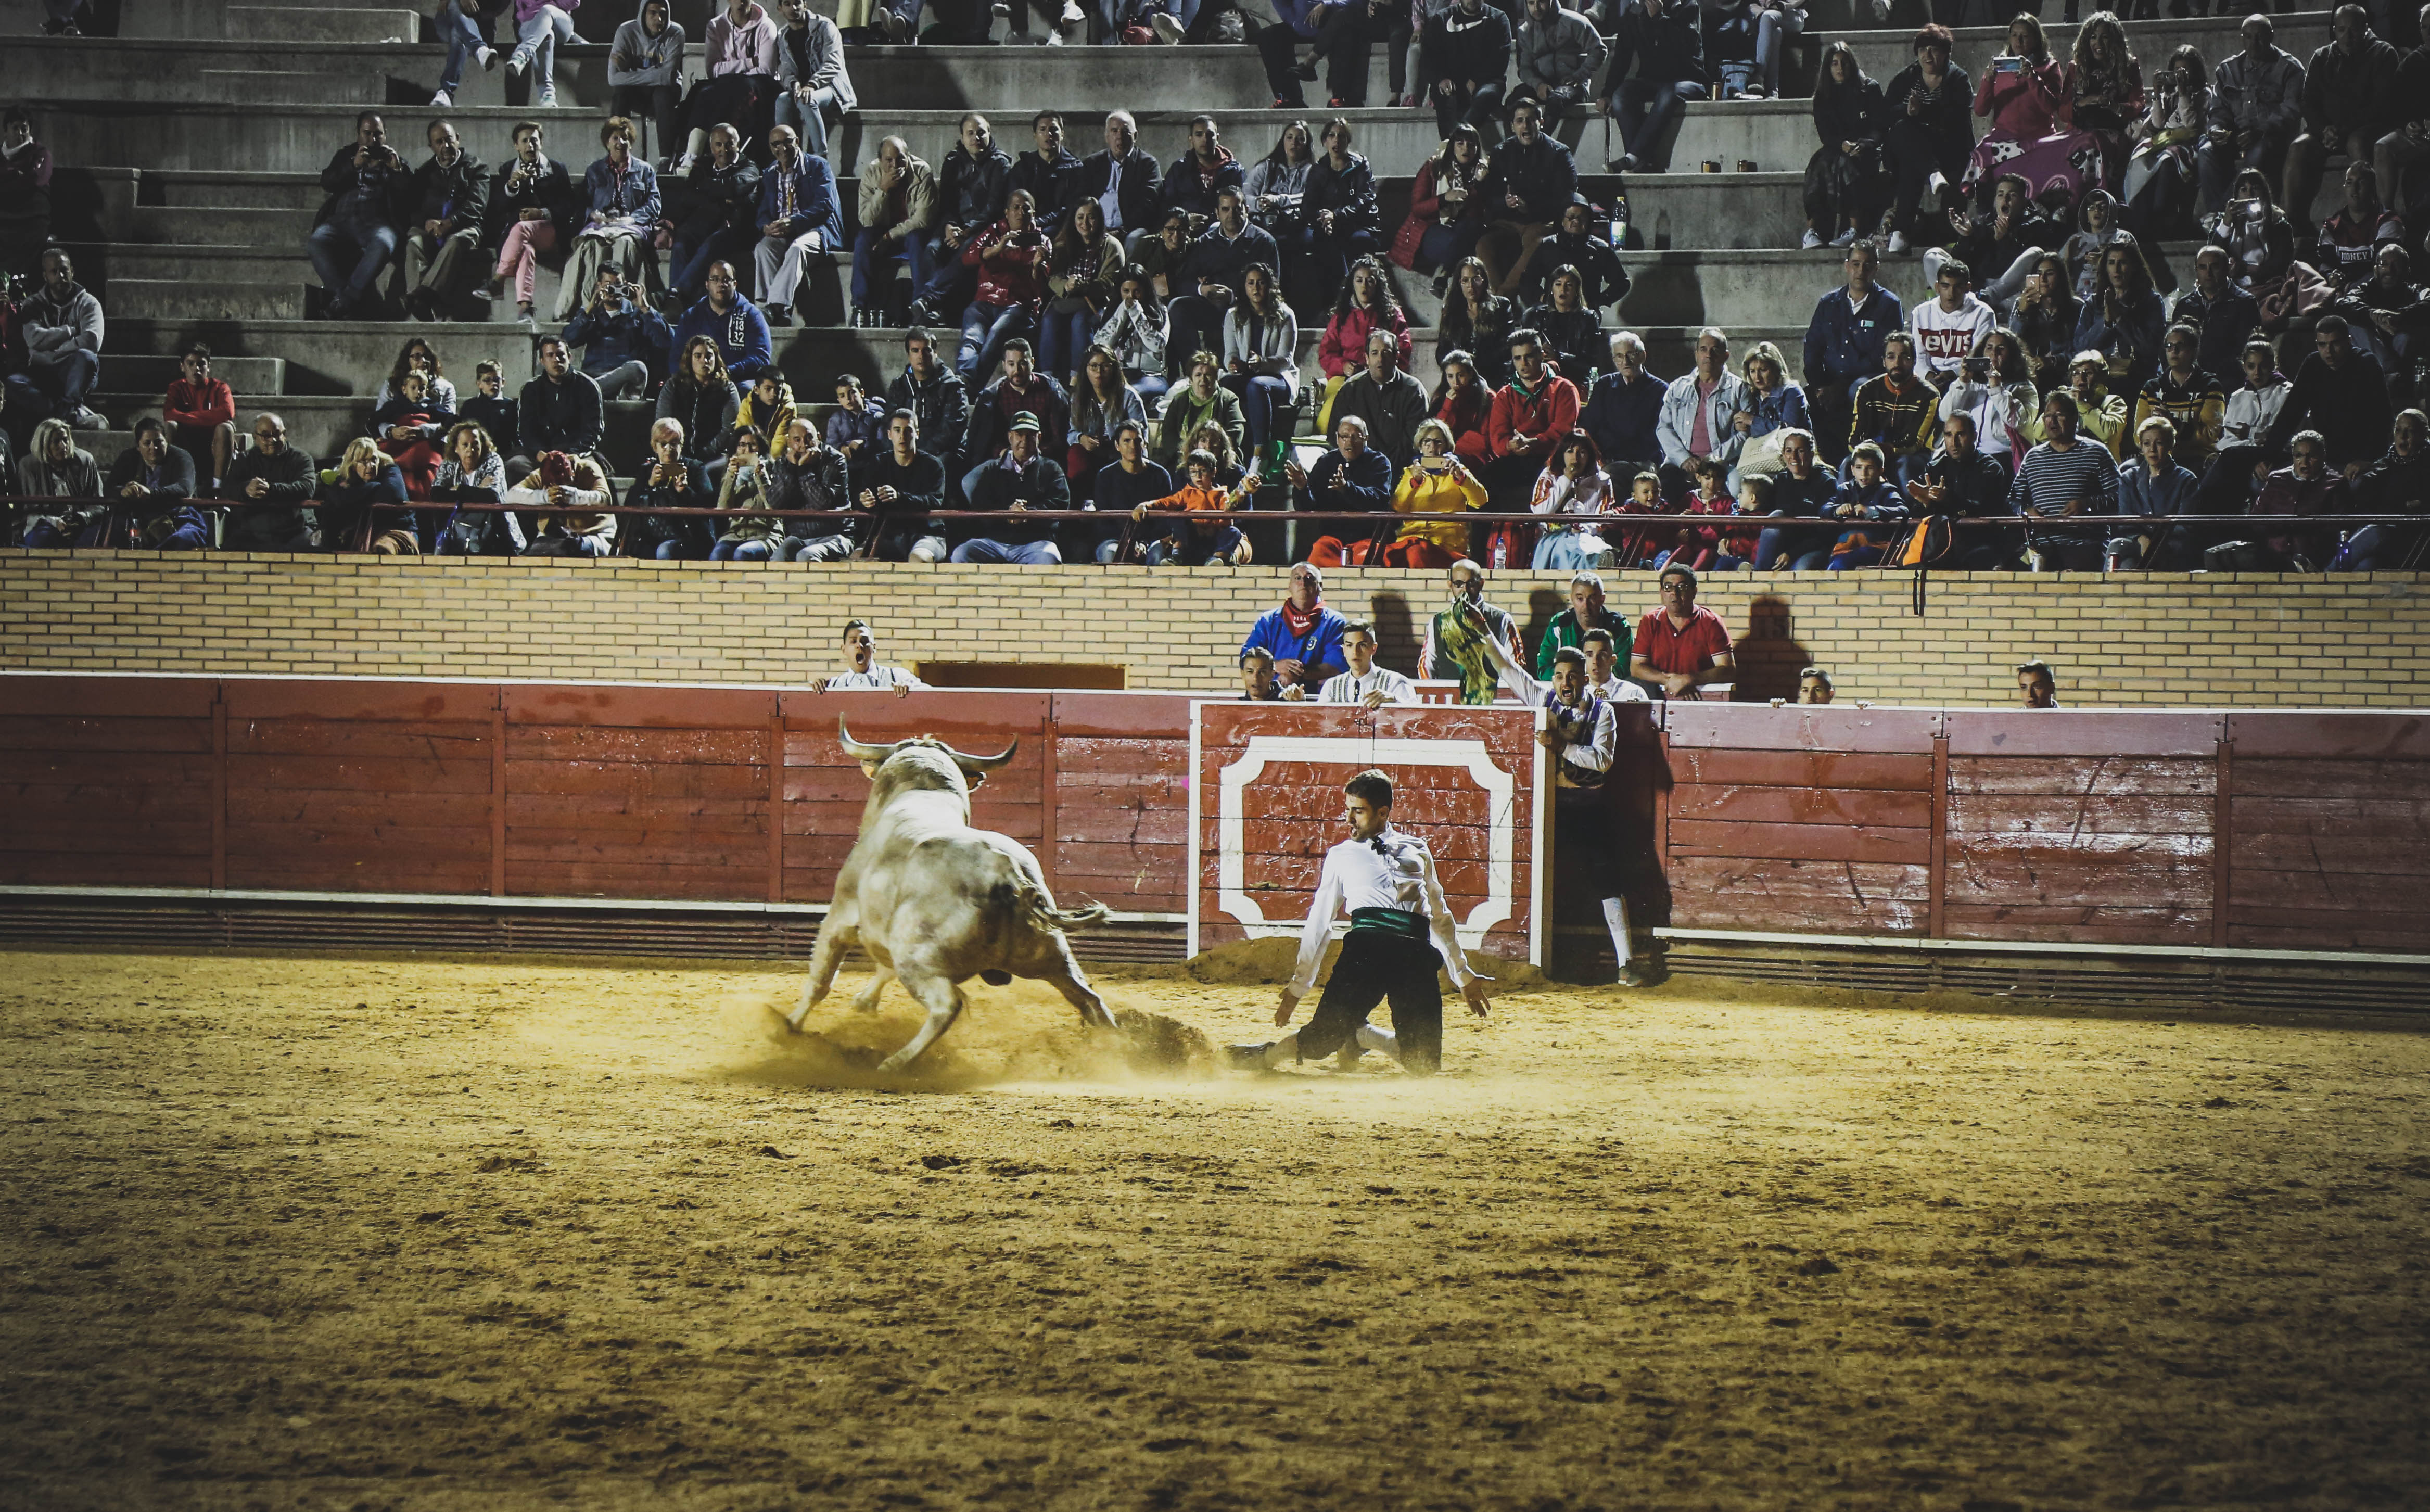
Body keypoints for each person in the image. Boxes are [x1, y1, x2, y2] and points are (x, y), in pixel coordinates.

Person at [1227, 767, 1492, 1076]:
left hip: (1416, 955)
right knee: (1322, 1040)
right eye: (1347, 810)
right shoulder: (1340, 855)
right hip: (1367, 950)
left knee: (1424, 1064)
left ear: (1383, 812)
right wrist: (1299, 987)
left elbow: (1440, 914)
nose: (1348, 820)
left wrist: (1463, 975)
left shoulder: (1418, 849)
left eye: (1358, 811)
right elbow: (1320, 921)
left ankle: (1361, 1035)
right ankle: (1267, 1057)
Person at [1478, 633, 1646, 985]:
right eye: (1558, 676)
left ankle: (1625, 962)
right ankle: (1526, 962)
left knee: (1607, 882)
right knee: (1531, 879)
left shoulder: (1604, 710)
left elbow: (1602, 760)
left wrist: (1561, 746)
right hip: (1548, 806)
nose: (1564, 682)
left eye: (1572, 675)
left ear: (1585, 678)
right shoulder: (1542, 698)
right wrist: (1484, 632)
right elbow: (1507, 668)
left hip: (1588, 807)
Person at [2285, 7, 2400, 233]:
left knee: (2356, 143)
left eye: (2354, 30)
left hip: (2366, 128)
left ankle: (2369, 216)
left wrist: (2343, 129)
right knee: (2299, 148)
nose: (2348, 37)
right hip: (2327, 131)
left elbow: (2381, 105)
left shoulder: (2383, 54)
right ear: (2334, 31)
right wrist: (2323, 130)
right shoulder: (2322, 56)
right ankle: (2293, 223)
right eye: (2341, 30)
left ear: (2366, 29)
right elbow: (2307, 102)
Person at [902, 115, 1014, 329]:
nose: (976, 137)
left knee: (966, 250)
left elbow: (994, 208)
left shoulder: (1000, 163)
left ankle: (929, 299)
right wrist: (949, 226)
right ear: (962, 137)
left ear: (989, 134)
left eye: (981, 132)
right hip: (954, 226)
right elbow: (947, 204)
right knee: (933, 249)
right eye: (970, 133)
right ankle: (935, 311)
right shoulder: (953, 162)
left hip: (983, 228)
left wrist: (967, 230)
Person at [1459, 97, 1576, 298]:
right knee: (1483, 245)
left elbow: (1566, 200)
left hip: (1541, 221)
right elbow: (1487, 198)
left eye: (1531, 120)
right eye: (1520, 120)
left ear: (1541, 122)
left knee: (1537, 241)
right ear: (1513, 126)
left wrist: (1529, 208)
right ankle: (1497, 296)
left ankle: (1501, 298)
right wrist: (1504, 203)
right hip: (1507, 222)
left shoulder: (1559, 153)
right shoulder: (1501, 152)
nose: (1526, 125)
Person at [1165, 187, 1281, 389]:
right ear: (1217, 213)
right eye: (1225, 210)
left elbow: (1274, 286)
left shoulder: (1263, 242)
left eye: (1237, 209)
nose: (1231, 215)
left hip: (1249, 311)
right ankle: (1195, 368)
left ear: (1246, 210)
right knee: (1177, 306)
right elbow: (1184, 282)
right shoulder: (1206, 242)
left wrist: (1236, 297)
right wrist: (1204, 290)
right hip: (1213, 308)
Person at [1803, 242, 1901, 466]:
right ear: (1847, 266)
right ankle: (1822, 463)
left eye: (1867, 265)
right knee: (1805, 398)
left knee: (1857, 391)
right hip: (1828, 381)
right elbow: (1813, 347)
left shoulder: (1888, 305)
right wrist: (1819, 386)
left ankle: (1855, 459)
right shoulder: (1828, 303)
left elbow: (1882, 356)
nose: (1861, 271)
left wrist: (1840, 386)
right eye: (1856, 264)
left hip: (1866, 380)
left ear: (1876, 268)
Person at [2199, 15, 2307, 217]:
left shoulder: (2290, 69)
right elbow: (2218, 110)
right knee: (2206, 151)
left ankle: (2222, 213)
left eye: (2260, 37)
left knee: (2260, 152)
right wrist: (2216, 130)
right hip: (2236, 136)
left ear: (2271, 37)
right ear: (2242, 38)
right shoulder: (2227, 70)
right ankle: (2217, 214)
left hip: (2270, 137)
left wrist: (2260, 130)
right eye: (2248, 37)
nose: (2254, 43)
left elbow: (2291, 112)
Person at [557, 116, 661, 323]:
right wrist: (592, 214)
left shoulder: (645, 171)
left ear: (631, 142)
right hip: (601, 225)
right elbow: (582, 204)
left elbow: (654, 203)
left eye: (624, 138)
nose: (620, 143)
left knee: (625, 244)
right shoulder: (595, 170)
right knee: (592, 245)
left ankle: (624, 305)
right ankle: (592, 305)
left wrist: (632, 219)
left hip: (631, 225)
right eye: (615, 138)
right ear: (607, 142)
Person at [309, 112, 412, 320]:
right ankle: (346, 302)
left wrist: (397, 172)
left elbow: (410, 198)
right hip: (341, 220)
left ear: (385, 135)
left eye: (378, 134)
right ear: (358, 135)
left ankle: (343, 302)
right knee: (317, 242)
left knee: (384, 243)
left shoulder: (394, 160)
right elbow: (327, 182)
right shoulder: (346, 154)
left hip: (377, 223)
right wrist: (352, 165)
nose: (373, 140)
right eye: (367, 134)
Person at [1882, 24, 1973, 254]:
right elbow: (1886, 113)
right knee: (1904, 131)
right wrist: (1909, 111)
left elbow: (1956, 120)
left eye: (1934, 50)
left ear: (1946, 54)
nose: (1927, 56)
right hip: (1912, 148)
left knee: (1913, 166)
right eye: (1923, 50)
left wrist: (1923, 112)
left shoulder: (1958, 78)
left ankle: (1901, 232)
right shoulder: (1907, 77)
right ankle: (1933, 174)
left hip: (1949, 150)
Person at [2009, 389, 2120, 570]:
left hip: (2086, 544)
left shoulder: (2096, 452)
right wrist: (2026, 511)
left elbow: (2119, 496)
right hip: (2041, 547)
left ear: (2075, 418)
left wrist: (2087, 504)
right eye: (2048, 416)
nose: (2052, 421)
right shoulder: (2033, 457)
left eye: (2059, 415)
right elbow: (2012, 500)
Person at [2266, 315, 2393, 472]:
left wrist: (2367, 458)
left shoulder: (2367, 363)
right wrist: (2268, 456)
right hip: (2324, 453)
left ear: (2349, 341)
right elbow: (2291, 412)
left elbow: (2382, 417)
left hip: (2359, 453)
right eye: (2322, 345)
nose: (2328, 351)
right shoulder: (2313, 363)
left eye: (2335, 343)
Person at [485, 121, 578, 326]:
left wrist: (542, 213)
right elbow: (499, 208)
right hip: (521, 239)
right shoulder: (508, 169)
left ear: (541, 144)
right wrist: (512, 186)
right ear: (516, 146)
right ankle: (525, 308)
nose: (530, 145)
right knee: (526, 249)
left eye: (534, 140)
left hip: (552, 233)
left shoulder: (557, 169)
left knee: (521, 228)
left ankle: (498, 281)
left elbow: (570, 207)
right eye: (525, 141)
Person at [748, 124, 841, 329]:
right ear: (770, 147)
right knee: (763, 247)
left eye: (787, 142)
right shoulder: (770, 173)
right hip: (782, 231)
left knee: (797, 249)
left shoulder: (818, 166)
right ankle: (772, 311)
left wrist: (795, 221)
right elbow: (763, 210)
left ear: (797, 141)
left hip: (817, 229)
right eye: (776, 144)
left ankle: (774, 308)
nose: (782, 148)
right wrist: (765, 227)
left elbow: (826, 205)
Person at [663, 124, 762, 309]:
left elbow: (735, 187)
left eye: (729, 144)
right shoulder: (704, 165)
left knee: (713, 242)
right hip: (705, 224)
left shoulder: (749, 167)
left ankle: (677, 293)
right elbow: (688, 197)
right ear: (712, 147)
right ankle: (678, 300)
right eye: (719, 145)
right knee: (681, 241)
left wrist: (705, 188)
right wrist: (722, 197)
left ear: (737, 145)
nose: (724, 150)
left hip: (737, 230)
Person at [1604, 0, 1709, 175]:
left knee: (1668, 93)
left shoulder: (1687, 7)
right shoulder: (1635, 12)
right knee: (1622, 94)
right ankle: (1643, 161)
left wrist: (1660, 19)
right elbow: (1622, 57)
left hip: (1689, 80)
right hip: (1652, 80)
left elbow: (1685, 50)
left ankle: (1633, 158)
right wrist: (1607, 92)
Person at [950, 412, 1071, 564]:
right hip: (994, 542)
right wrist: (1008, 513)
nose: (1024, 440)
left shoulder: (1051, 468)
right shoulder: (992, 469)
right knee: (961, 554)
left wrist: (1027, 514)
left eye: (1030, 435)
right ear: (1010, 437)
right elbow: (980, 505)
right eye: (1019, 434)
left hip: (1035, 543)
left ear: (1039, 438)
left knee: (1049, 557)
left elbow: (1061, 504)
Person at [675, 0, 780, 173]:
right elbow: (713, 70)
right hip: (726, 84)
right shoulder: (716, 26)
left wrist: (730, 67)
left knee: (742, 90)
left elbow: (766, 69)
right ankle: (692, 156)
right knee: (703, 93)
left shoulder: (766, 26)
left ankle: (729, 158)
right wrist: (750, 62)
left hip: (759, 84)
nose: (740, 2)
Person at [402, 121, 491, 323]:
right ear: (432, 146)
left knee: (456, 242)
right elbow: (413, 209)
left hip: (466, 228)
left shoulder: (476, 167)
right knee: (414, 243)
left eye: (449, 139)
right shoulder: (425, 173)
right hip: (432, 230)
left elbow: (477, 205)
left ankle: (420, 297)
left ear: (457, 138)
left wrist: (449, 223)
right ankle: (421, 303)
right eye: (439, 142)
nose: (446, 146)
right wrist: (427, 223)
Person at [1291, 119, 1381, 316]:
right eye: (1331, 136)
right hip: (1328, 226)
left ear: (1348, 141)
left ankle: (1346, 300)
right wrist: (1323, 220)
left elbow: (1365, 200)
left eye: (1341, 136)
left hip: (1360, 225)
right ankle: (1337, 304)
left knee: (1354, 242)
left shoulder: (1361, 165)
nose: (1336, 141)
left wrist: (1337, 216)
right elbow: (1308, 207)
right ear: (1324, 141)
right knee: (1322, 242)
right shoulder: (1318, 169)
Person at [7, 248, 104, 433]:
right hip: (42, 372)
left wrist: (53, 352)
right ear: (45, 276)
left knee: (87, 357)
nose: (60, 276)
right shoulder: (33, 304)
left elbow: (92, 341)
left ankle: (63, 412)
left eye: (64, 270)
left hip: (73, 371)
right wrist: (71, 331)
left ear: (72, 271)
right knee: (14, 383)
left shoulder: (89, 304)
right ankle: (71, 414)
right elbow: (33, 339)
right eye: (54, 272)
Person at [1805, 40, 1889, 251]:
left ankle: (1853, 229)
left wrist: (1864, 144)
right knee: (1819, 163)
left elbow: (1880, 127)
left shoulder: (1869, 88)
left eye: (1844, 63)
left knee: (1846, 163)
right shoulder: (1823, 96)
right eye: (1834, 63)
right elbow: (1826, 134)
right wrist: (1841, 144)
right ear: (1828, 67)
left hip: (1867, 151)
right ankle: (1812, 231)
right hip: (1837, 149)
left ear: (1852, 65)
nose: (1840, 68)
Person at [1904, 414, 2017, 569]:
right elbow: (1919, 517)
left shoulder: (1989, 467)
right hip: (1941, 544)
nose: (1954, 442)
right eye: (1949, 435)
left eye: (1961, 434)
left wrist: (1947, 498)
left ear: (1974, 436)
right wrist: (1925, 503)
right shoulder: (1934, 467)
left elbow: (1981, 509)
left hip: (1981, 542)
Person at [2125, 43, 2210, 237]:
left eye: (2185, 71)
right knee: (2140, 157)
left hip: (2188, 143)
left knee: (2167, 161)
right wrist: (2157, 94)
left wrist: (2183, 93)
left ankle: (2161, 213)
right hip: (2165, 141)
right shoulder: (2168, 95)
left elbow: (2191, 123)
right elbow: (2157, 122)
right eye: (2177, 72)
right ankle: (2140, 216)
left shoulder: (2203, 94)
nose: (2180, 76)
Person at [1379, 419, 1487, 569]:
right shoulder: (1411, 472)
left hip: (1447, 545)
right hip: (1412, 540)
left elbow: (1480, 500)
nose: (1432, 447)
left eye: (1438, 442)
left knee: (1417, 554)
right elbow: (1398, 507)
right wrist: (1413, 482)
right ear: (1421, 446)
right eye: (1427, 442)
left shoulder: (1458, 470)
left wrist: (1461, 477)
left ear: (1446, 446)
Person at [1654, 327, 1749, 497]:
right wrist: (1684, 459)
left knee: (1737, 491)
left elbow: (1745, 434)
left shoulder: (1739, 389)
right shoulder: (1678, 387)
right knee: (1664, 489)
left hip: (1723, 463)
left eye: (1715, 350)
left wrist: (1713, 460)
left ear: (1725, 356)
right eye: (1704, 349)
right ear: (1696, 353)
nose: (1709, 355)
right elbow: (1664, 428)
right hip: (1681, 463)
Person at [1038, 200, 1124, 387]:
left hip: (1096, 303)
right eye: (1080, 217)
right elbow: (1054, 278)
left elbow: (1109, 284)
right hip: (1067, 300)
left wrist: (1082, 286)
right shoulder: (1063, 244)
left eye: (1091, 217)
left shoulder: (1112, 247)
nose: (1085, 223)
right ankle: (1047, 377)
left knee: (1080, 321)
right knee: (1049, 319)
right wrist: (1067, 286)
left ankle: (1077, 377)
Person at [2331, 405, 2429, 568]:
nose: (2402, 437)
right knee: (2365, 567)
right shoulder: (2385, 464)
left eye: (2409, 431)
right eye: (2398, 430)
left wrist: (2404, 506)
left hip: (2414, 539)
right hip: (2382, 540)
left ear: (2424, 434)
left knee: (2377, 531)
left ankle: (2326, 574)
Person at [1220, 262, 1299, 459]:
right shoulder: (1233, 315)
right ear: (1244, 287)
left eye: (1261, 283)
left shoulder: (1286, 315)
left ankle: (1260, 451)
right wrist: (1233, 364)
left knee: (1257, 385)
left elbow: (1286, 360)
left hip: (1278, 378)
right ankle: (1224, 447)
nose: (1256, 289)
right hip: (1246, 375)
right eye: (1251, 283)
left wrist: (1262, 363)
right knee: (1225, 385)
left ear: (1270, 286)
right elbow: (1229, 353)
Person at [1292, 413, 1395, 564]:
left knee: (1364, 564)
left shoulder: (1379, 462)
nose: (1350, 443)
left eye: (1356, 437)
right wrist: (1302, 488)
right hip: (1333, 538)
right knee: (1316, 559)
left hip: (1368, 538)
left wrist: (1347, 489)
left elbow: (1378, 500)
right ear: (1337, 438)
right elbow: (1308, 507)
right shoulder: (1327, 462)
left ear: (1366, 438)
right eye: (1345, 436)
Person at [1417, 558, 1520, 703]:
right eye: (1458, 584)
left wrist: (1501, 696)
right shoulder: (1437, 622)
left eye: (1471, 583)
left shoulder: (1502, 619)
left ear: (1481, 583)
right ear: (1450, 585)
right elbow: (1425, 666)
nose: (1464, 590)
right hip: (1449, 702)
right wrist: (1434, 693)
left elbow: (1516, 665)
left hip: (1492, 700)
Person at [563, 266, 672, 401]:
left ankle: (586, 393)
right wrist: (590, 309)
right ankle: (591, 392)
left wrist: (645, 308)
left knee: (638, 368)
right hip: (594, 374)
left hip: (625, 379)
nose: (614, 291)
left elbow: (666, 341)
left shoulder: (638, 312)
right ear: (599, 286)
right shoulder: (591, 312)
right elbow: (568, 340)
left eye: (618, 286)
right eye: (609, 286)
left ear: (626, 286)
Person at [1844, 332, 1939, 489]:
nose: (1897, 362)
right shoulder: (1867, 390)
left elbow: (1916, 443)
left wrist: (1882, 451)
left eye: (1904, 357)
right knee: (1849, 462)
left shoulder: (1929, 395)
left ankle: (1907, 511)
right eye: (1891, 356)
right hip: (1872, 452)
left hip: (1912, 455)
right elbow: (1855, 437)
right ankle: (1844, 509)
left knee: (1904, 464)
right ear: (1884, 362)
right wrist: (1868, 452)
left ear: (1914, 361)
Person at [1129, 445, 1251, 565]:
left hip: (1214, 539)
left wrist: (1233, 502)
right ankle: (1178, 555)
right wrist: (1145, 505)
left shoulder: (1222, 494)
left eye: (1203, 471)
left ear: (1213, 472)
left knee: (1234, 532)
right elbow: (1167, 502)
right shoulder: (1187, 493)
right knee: (1179, 519)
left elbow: (1226, 515)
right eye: (1193, 472)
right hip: (1193, 541)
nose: (1198, 476)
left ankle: (1217, 559)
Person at [2065, 11, 2145, 194]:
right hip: (2079, 132)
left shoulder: (2129, 66)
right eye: (2093, 37)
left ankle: (2097, 200)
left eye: (2105, 38)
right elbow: (2063, 110)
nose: (2098, 44)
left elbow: (2139, 103)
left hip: (2113, 133)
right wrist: (2082, 103)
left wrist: (2114, 106)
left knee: (2091, 145)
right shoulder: (2075, 68)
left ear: (2115, 41)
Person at [2130, 325, 2227, 475]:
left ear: (2194, 351)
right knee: (2126, 471)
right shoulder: (2152, 388)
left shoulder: (2210, 386)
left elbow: (2209, 435)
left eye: (2180, 346)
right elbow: (2138, 435)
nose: (2174, 351)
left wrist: (2174, 425)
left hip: (2198, 456)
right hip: (2157, 456)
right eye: (2169, 346)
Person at [1331, 325, 1429, 473]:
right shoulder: (1350, 389)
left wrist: (1384, 468)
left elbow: (1414, 442)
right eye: (1375, 353)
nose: (1380, 359)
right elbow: (1336, 436)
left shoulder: (1414, 391)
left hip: (1401, 471)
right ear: (1367, 358)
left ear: (1397, 356)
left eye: (1386, 353)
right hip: (1358, 470)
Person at [2110, 414, 2203, 569]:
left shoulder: (2186, 480)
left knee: (2132, 565)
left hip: (2172, 548)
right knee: (2119, 550)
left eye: (2159, 443)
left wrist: (2156, 546)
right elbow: (2125, 520)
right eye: (2147, 444)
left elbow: (2185, 526)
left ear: (2170, 445)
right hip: (2138, 544)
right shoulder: (2129, 478)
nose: (2152, 449)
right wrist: (2142, 539)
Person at [1393, 125, 1484, 281]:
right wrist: (1444, 199)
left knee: (1472, 230)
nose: (1466, 149)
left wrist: (1478, 183)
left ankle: (1445, 276)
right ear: (1452, 146)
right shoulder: (1435, 166)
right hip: (1429, 228)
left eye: (1471, 144)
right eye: (1460, 143)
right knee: (1461, 243)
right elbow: (1417, 209)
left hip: (1465, 230)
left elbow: (1478, 214)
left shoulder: (1482, 171)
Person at [1629, 563, 1733, 700]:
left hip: (1700, 698)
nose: (1674, 593)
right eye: (1668, 587)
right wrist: (1670, 681)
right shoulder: (1650, 621)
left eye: (1682, 587)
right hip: (1657, 697)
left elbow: (1728, 670)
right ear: (1661, 592)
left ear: (1694, 591)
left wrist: (1689, 679)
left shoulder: (1711, 622)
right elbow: (1636, 668)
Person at [218, 413, 319, 553]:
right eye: (266, 436)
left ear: (285, 434)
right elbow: (227, 489)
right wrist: (246, 490)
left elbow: (307, 488)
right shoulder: (244, 460)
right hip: (252, 534)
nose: (273, 440)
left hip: (294, 532)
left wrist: (271, 490)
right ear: (255, 437)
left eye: (278, 434)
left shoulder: (301, 458)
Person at [1241, 564, 1347, 694]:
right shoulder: (1268, 620)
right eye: (1298, 578)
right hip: (1270, 696)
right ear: (1289, 587)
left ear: (1320, 587)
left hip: (1316, 698)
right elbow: (1247, 658)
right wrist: (1275, 666)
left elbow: (1337, 666)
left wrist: (1297, 675)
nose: (1303, 583)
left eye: (1310, 578)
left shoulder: (1334, 622)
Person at [859, 408, 948, 562]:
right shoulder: (878, 463)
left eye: (908, 431)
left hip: (927, 533)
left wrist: (898, 497)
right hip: (889, 534)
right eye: (897, 430)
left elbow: (935, 501)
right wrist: (865, 501)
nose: (902, 436)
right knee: (858, 558)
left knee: (917, 559)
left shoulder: (933, 465)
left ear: (917, 434)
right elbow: (866, 498)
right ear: (889, 435)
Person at [101, 418, 203, 551]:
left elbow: (184, 488)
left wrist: (150, 493)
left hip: (179, 515)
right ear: (138, 447)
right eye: (147, 443)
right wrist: (124, 491)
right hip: (139, 516)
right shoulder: (128, 458)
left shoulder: (181, 457)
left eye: (158, 442)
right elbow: (109, 488)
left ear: (166, 442)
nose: (153, 448)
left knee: (183, 539)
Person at [511, 335, 604, 480]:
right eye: (550, 355)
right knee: (514, 467)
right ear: (542, 361)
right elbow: (526, 431)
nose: (556, 360)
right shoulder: (531, 389)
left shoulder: (588, 386)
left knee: (590, 470)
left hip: (576, 455)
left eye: (561, 355)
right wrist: (539, 453)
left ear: (570, 357)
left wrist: (573, 454)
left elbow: (593, 430)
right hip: (541, 455)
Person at [772, 0, 854, 163]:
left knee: (806, 101)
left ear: (805, 5)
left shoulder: (825, 26)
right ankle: (786, 157)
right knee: (782, 99)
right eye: (787, 4)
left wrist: (812, 85)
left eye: (797, 3)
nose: (793, 8)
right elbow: (786, 69)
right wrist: (794, 84)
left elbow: (833, 63)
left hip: (831, 88)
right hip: (803, 89)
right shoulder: (783, 36)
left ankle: (820, 159)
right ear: (780, 8)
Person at [658, 334, 743, 489]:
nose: (704, 361)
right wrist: (680, 452)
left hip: (714, 455)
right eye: (698, 356)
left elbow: (728, 430)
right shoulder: (674, 386)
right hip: (677, 453)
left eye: (709, 356)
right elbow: (663, 424)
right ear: (690, 359)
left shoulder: (727, 389)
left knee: (705, 471)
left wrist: (703, 453)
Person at [622, 416, 714, 560]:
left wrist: (684, 492)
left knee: (665, 550)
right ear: (655, 447)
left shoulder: (695, 468)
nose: (669, 449)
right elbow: (629, 505)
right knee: (636, 551)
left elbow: (709, 506)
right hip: (652, 536)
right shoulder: (647, 471)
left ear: (681, 445)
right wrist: (650, 484)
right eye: (663, 444)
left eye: (674, 444)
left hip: (689, 537)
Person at [1071, 111, 1162, 255]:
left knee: (1135, 239)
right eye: (1114, 131)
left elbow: (1148, 204)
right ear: (1107, 137)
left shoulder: (1147, 164)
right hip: (1094, 227)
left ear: (1135, 136)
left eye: (1126, 131)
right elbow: (1080, 199)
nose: (1119, 136)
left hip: (1131, 229)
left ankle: (1127, 277)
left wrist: (1123, 230)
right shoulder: (1093, 163)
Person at [1419, 0, 1513, 138]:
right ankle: (1453, 145)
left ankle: (1456, 140)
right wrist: (1440, 79)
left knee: (1486, 95)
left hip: (1488, 82)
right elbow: (1428, 60)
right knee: (1444, 96)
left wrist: (1478, 80)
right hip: (1452, 82)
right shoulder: (1442, 19)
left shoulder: (1498, 18)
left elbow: (1500, 60)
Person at [2172, 245, 2264, 384]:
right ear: (2196, 270)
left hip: (2229, 380)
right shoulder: (2185, 305)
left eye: (2214, 267)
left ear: (2227, 268)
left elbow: (2244, 350)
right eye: (2203, 267)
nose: (2208, 273)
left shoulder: (2245, 302)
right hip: (2191, 380)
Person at [429, 418, 522, 556]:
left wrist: (458, 489)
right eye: (465, 445)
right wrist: (478, 490)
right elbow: (436, 494)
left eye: (475, 445)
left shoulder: (493, 460)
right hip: (458, 534)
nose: (470, 450)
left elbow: (492, 496)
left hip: (495, 536)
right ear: (456, 448)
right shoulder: (449, 463)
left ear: (482, 446)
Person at [1580, 331, 1665, 480]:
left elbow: (1657, 434)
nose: (1625, 362)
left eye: (1630, 354)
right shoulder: (1604, 385)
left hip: (1643, 460)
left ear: (1642, 356)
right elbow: (1592, 425)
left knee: (1610, 477)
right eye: (1619, 356)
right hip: (1607, 458)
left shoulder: (1660, 389)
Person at [673, 260, 774, 385]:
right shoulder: (691, 317)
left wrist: (726, 372)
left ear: (735, 284)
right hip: (698, 379)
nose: (721, 284)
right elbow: (677, 357)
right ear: (707, 284)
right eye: (715, 279)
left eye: (727, 280)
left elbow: (761, 358)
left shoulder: (752, 315)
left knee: (747, 390)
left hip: (737, 381)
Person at [608, 0, 687, 157]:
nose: (659, 19)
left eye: (663, 14)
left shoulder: (676, 33)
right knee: (620, 94)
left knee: (662, 94)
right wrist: (658, 73)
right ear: (643, 14)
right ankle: (616, 155)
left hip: (667, 94)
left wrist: (629, 70)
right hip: (637, 94)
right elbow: (613, 79)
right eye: (653, 13)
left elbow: (668, 78)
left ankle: (666, 160)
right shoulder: (626, 31)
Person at [1522, 201, 1627, 316]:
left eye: (1581, 218)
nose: (1576, 222)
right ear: (1563, 221)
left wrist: (1599, 300)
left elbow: (1621, 283)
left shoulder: (1600, 248)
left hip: (1586, 314)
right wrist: (1542, 297)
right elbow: (1528, 280)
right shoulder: (1548, 245)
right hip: (1552, 311)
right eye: (1571, 218)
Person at [1523, 437, 1611, 572]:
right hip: (1553, 537)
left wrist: (1581, 529)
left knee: (1592, 548)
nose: (1575, 458)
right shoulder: (1548, 475)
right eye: (1570, 451)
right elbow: (1541, 512)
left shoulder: (1603, 481)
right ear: (1562, 454)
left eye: (1582, 452)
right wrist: (1566, 480)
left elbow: (1602, 518)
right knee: (1567, 550)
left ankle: (1602, 561)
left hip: (1588, 536)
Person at [316, 438, 415, 555]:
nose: (371, 466)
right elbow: (337, 498)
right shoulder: (345, 477)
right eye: (363, 461)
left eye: (374, 460)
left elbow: (393, 493)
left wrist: (356, 491)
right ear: (353, 465)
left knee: (384, 547)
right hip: (361, 535)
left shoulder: (390, 468)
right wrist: (377, 488)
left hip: (398, 532)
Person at [885, 326, 969, 463]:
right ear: (909, 355)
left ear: (935, 352)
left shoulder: (952, 386)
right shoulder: (899, 386)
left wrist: (919, 455)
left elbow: (950, 432)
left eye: (927, 350)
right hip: (907, 448)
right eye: (915, 351)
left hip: (944, 452)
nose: (921, 356)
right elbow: (889, 423)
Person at [1909, 257, 1996, 388]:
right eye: (1945, 286)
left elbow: (1980, 360)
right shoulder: (1921, 313)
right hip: (1929, 376)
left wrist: (1952, 373)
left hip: (1968, 377)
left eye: (1958, 287)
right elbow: (1920, 357)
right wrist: (1928, 375)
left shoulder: (1983, 313)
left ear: (1968, 288)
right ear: (1937, 287)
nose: (1951, 293)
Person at [1282, 621, 1415, 705]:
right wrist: (1300, 702)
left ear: (1373, 649)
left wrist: (1395, 700)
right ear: (1344, 650)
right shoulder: (1332, 686)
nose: (1355, 652)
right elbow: (1321, 722)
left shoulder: (1395, 682)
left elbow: (1418, 718)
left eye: (1362, 645)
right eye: (1350, 646)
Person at [15, 420, 102, 549]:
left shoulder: (84, 460)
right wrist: (55, 522)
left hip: (81, 523)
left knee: (97, 540)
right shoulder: (29, 465)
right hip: (44, 524)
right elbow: (27, 511)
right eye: (56, 442)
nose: (63, 446)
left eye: (66, 440)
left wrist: (81, 519)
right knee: (42, 540)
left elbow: (99, 505)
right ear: (43, 444)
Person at [1152, 349, 1246, 468]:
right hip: (1184, 459)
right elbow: (1168, 433)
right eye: (1198, 375)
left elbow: (1236, 431)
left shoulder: (1228, 399)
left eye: (1208, 375)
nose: (1203, 379)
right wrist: (1186, 453)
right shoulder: (1179, 400)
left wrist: (1211, 450)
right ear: (1191, 379)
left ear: (1216, 378)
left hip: (1220, 460)